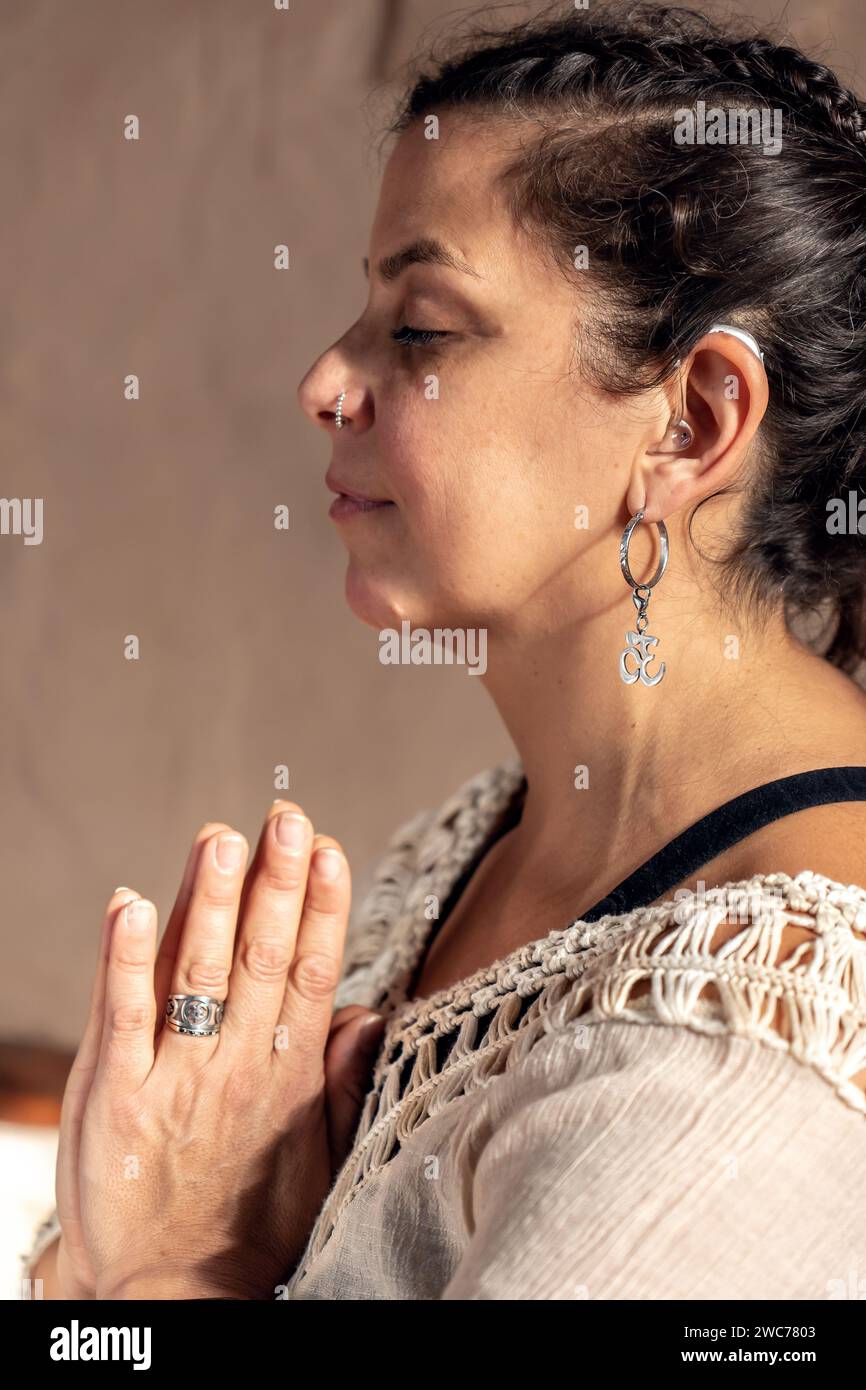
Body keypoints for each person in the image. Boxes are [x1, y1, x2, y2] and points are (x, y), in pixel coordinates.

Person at [24, 0, 866, 1299]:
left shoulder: (756, 1041)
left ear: (692, 421)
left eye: (420, 327)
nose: (324, 377)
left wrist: (168, 1272)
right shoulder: (486, 843)